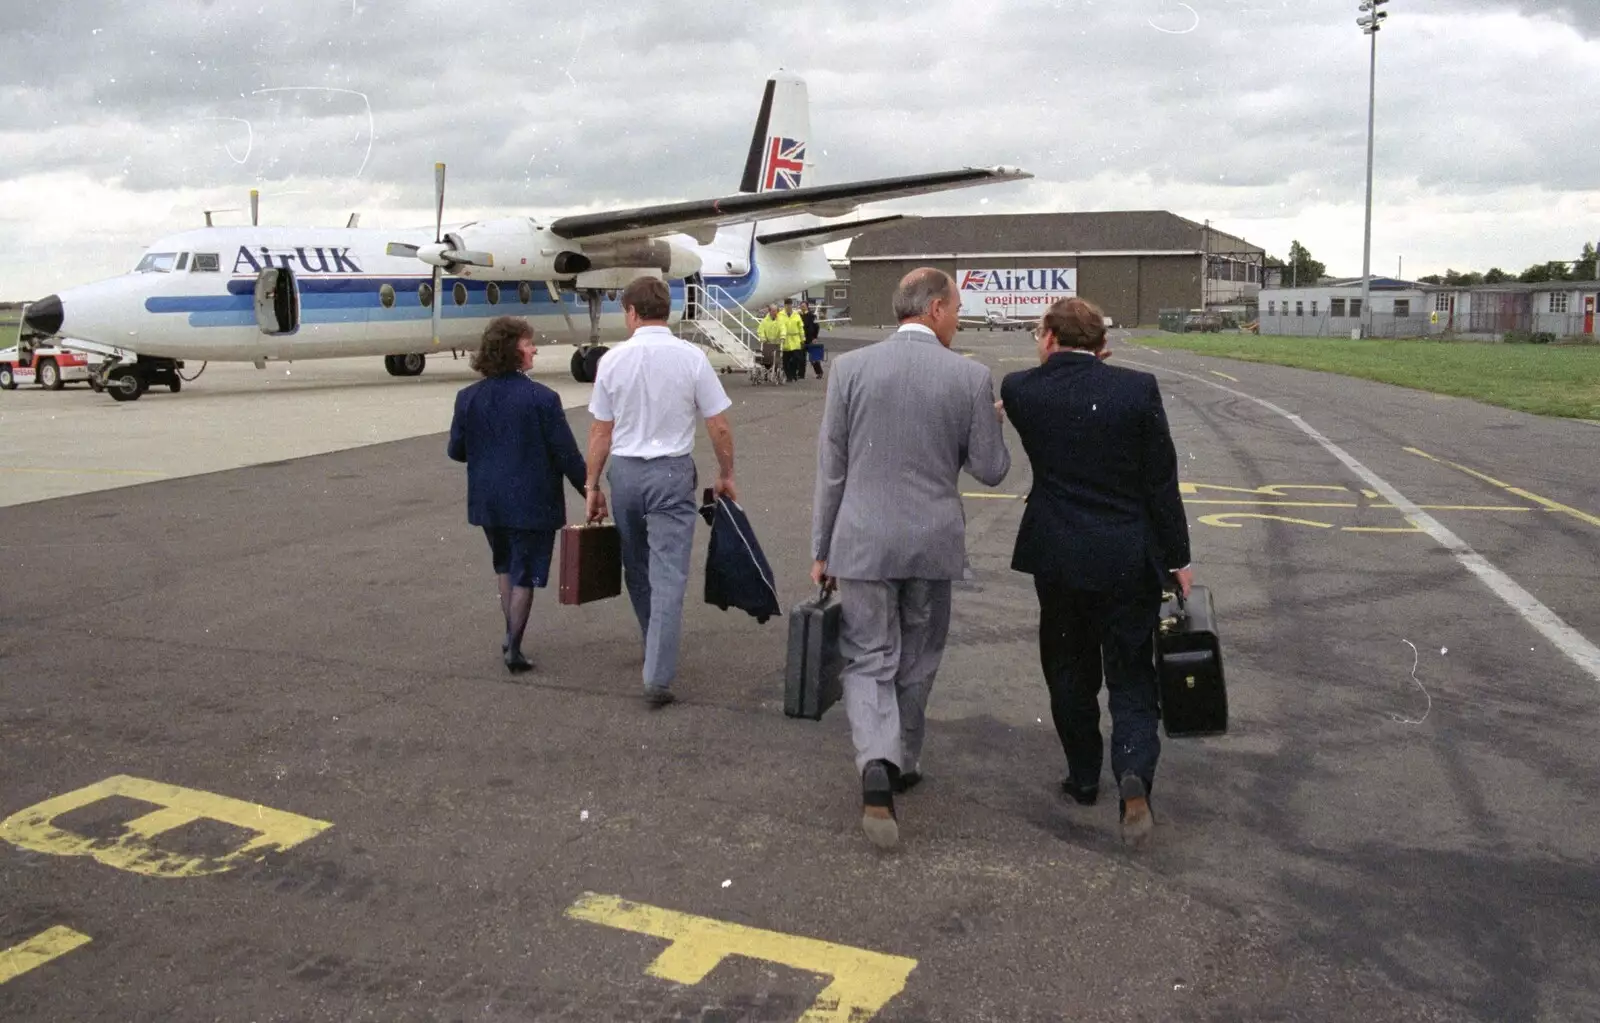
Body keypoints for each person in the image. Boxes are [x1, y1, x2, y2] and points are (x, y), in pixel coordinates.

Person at [810, 267, 1010, 848]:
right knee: (919, 656)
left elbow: (833, 468)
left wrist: (822, 548)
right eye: (957, 308)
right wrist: (988, 422)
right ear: (938, 309)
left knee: (869, 653)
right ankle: (905, 757)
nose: (960, 318)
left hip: (863, 539)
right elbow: (992, 471)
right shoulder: (970, 375)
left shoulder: (850, 369)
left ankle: (876, 759)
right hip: (931, 540)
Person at [999, 296, 1192, 848]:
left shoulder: (1020, 389)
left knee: (1067, 666)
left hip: (1057, 554)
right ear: (1100, 343)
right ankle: (1132, 774)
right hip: (1128, 556)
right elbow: (1161, 482)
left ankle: (1084, 775)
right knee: (1131, 671)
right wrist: (1178, 558)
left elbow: (1042, 386)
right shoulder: (1137, 389)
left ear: (1050, 337)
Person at [584, 276, 738, 707]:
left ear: (631, 312)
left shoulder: (613, 361)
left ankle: (653, 642)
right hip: (671, 472)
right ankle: (657, 671)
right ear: (666, 311)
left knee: (636, 566)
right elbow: (718, 424)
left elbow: (601, 431)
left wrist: (592, 484)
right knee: (669, 572)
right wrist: (725, 472)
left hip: (627, 474)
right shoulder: (692, 358)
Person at [447, 316, 587, 674]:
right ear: (513, 350)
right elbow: (566, 454)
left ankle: (511, 635)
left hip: (488, 500)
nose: (534, 348)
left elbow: (456, 450)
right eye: (528, 343)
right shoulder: (542, 399)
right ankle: (514, 645)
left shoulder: (468, 398)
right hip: (532, 500)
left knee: (505, 565)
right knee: (525, 572)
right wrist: (590, 490)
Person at [780, 298, 806, 382]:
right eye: (787, 305)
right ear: (785, 305)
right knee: (785, 361)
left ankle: (793, 373)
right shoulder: (780, 315)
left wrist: (803, 339)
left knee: (796, 359)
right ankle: (789, 376)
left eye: (790, 305)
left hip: (795, 340)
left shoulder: (796, 315)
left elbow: (801, 328)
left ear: (792, 305)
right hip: (785, 341)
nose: (788, 306)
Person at [757, 305, 784, 381]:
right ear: (770, 311)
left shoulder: (780, 320)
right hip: (767, 343)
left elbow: (783, 328)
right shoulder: (765, 321)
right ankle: (765, 374)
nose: (775, 312)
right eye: (773, 311)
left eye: (776, 311)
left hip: (777, 343)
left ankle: (775, 373)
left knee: (776, 359)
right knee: (766, 359)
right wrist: (763, 338)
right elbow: (760, 330)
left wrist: (783, 336)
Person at [801, 301, 823, 378]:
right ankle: (801, 374)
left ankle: (819, 373)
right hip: (802, 340)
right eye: (801, 306)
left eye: (804, 306)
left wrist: (815, 337)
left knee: (813, 357)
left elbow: (817, 327)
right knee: (801, 358)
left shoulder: (812, 316)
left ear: (807, 307)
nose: (802, 307)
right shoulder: (799, 316)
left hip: (810, 339)